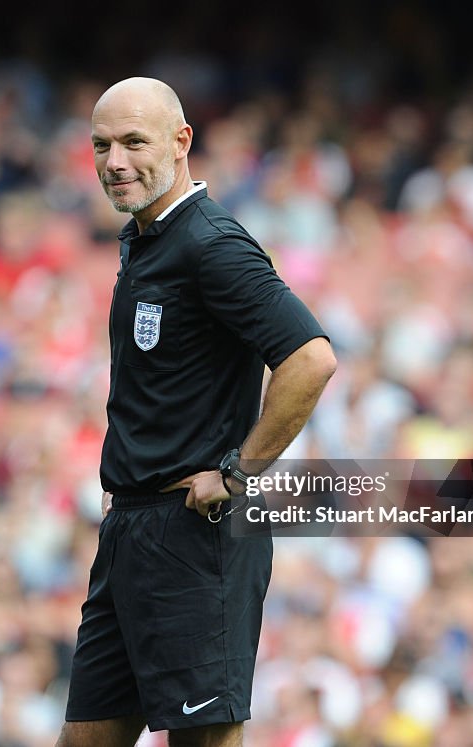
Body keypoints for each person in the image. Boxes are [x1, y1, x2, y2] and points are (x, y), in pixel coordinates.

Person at [57, 78, 336, 747]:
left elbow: (311, 358)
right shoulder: (148, 238)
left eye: (133, 142)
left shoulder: (212, 244)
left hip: (195, 532)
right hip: (132, 528)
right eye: (101, 145)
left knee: (203, 740)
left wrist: (239, 471)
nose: (114, 161)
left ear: (182, 143)